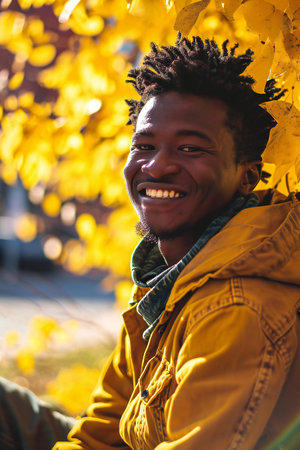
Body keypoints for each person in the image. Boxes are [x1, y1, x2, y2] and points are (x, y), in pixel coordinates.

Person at [1, 36, 299, 449]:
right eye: (144, 145)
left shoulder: (238, 307)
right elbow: (102, 427)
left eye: (191, 148)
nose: (157, 166)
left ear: (246, 175)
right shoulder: (166, 275)